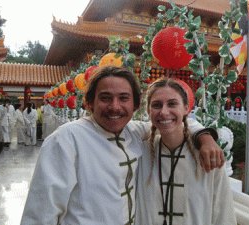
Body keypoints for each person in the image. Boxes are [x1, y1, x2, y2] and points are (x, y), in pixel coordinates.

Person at [21, 66, 224, 225]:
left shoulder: (133, 132)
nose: (115, 107)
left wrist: (204, 136)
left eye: (124, 98)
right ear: (90, 102)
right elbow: (41, 213)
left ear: (135, 105)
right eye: (105, 98)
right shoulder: (67, 140)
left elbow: (171, 122)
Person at [135, 78, 236, 225]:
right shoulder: (140, 152)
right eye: (157, 105)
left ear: (186, 108)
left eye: (172, 104)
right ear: (149, 111)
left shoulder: (207, 158)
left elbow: (224, 216)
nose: (163, 112)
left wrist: (205, 137)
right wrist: (204, 136)